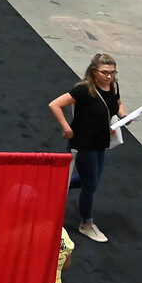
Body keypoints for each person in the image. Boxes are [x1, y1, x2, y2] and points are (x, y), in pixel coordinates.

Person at [50, 53, 124, 242]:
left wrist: (123, 115)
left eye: (112, 73)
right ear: (94, 72)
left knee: (90, 180)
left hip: (101, 142)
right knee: (90, 184)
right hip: (83, 144)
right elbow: (55, 105)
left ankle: (56, 186)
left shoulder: (112, 86)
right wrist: (67, 128)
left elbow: (116, 102)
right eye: (105, 72)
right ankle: (86, 223)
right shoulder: (84, 90)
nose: (109, 76)